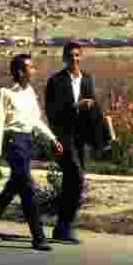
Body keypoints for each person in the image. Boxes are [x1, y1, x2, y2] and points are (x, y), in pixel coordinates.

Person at [0, 53, 64, 251]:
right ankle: (38, 236)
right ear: (19, 72)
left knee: (13, 187)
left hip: (26, 142)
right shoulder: (4, 93)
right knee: (27, 187)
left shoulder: (30, 92)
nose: (34, 71)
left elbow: (36, 120)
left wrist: (52, 139)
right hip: (12, 141)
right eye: (30, 68)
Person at [44, 41, 97, 244]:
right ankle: (65, 226)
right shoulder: (56, 81)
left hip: (81, 137)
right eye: (71, 56)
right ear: (64, 58)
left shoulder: (87, 79)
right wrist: (75, 107)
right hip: (63, 137)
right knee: (76, 176)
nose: (74, 59)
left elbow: (92, 105)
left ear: (81, 56)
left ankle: (63, 227)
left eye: (77, 55)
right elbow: (52, 112)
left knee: (72, 181)